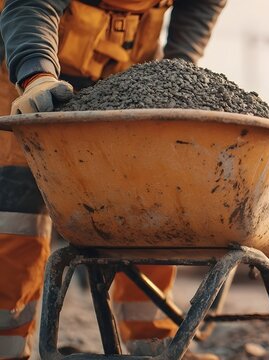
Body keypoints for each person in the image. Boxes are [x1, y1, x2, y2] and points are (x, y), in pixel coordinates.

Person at [0, 0, 226, 358]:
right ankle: (5, 347)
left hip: (125, 73)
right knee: (14, 216)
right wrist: (36, 75)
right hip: (28, 67)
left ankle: (154, 345)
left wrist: (177, 69)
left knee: (149, 208)